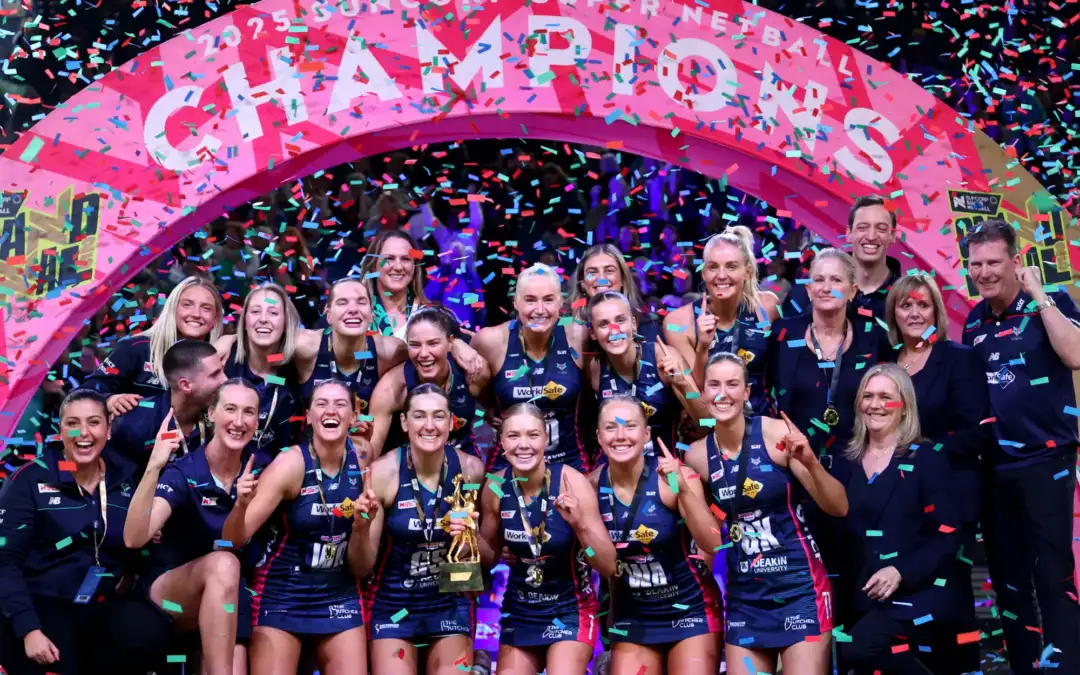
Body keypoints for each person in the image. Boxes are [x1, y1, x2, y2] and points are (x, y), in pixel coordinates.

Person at [961, 219, 1080, 674]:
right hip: (994, 467)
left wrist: (1040, 296)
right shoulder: (973, 320)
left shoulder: (1052, 303)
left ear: (1016, 262)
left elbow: (1075, 355)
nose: (985, 272)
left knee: (1052, 574)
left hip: (1046, 461)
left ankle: (1067, 666)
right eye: (976, 264)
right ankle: (1025, 667)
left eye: (994, 262)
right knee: (1008, 582)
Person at [684, 353, 846, 675]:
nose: (722, 393)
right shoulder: (697, 456)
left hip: (799, 588)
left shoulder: (776, 435)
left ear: (746, 392)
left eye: (733, 384)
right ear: (703, 393)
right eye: (714, 384)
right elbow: (711, 537)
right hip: (746, 595)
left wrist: (811, 461)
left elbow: (839, 506)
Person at [0, 390, 169, 675]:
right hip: (40, 605)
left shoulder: (125, 478)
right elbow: (4, 562)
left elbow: (133, 544)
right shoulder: (29, 479)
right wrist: (28, 629)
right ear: (60, 430)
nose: (84, 433)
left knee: (152, 634)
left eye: (93, 422)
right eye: (72, 423)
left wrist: (146, 542)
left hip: (99, 605)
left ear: (109, 429)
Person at [221, 380, 366, 675]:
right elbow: (232, 541)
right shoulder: (289, 464)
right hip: (283, 593)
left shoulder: (364, 456)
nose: (331, 411)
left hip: (339, 593)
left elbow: (362, 560)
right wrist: (241, 505)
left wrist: (364, 525)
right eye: (322, 404)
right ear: (309, 416)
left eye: (341, 404)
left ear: (354, 416)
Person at [839, 365, 975, 674]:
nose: (875, 405)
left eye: (886, 397)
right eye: (868, 396)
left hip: (919, 594)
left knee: (858, 648)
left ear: (904, 408)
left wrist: (900, 571)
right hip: (863, 596)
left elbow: (948, 534)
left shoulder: (926, 457)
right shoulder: (845, 461)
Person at [123, 379, 265, 675]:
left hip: (227, 594)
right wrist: (154, 465)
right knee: (224, 563)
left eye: (249, 412)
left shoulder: (262, 467)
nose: (239, 421)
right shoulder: (183, 471)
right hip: (170, 594)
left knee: (227, 570)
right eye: (230, 409)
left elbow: (237, 540)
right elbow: (135, 539)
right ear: (211, 414)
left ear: (258, 419)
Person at [348, 384, 485, 675]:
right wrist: (360, 528)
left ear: (451, 423)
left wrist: (471, 534)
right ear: (404, 422)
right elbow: (361, 568)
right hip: (394, 604)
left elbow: (486, 559)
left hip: (449, 602)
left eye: (438, 417)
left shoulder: (471, 470)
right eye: (420, 416)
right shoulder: (383, 473)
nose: (430, 426)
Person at [476, 403, 616, 675]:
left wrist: (580, 525)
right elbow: (489, 557)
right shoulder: (494, 486)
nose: (523, 445)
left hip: (569, 608)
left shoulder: (572, 482)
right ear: (502, 441)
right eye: (514, 436)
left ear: (546, 439)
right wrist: (468, 534)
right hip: (520, 610)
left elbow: (609, 565)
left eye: (532, 435)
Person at [591, 395, 723, 675]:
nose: (621, 436)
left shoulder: (674, 477)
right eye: (611, 428)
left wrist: (684, 490)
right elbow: (591, 556)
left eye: (630, 426)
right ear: (599, 436)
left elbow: (713, 543)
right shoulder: (590, 485)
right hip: (633, 615)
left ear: (646, 433)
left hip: (689, 611)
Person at [766, 248, 894, 466]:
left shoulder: (873, 338)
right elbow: (766, 394)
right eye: (819, 280)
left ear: (852, 291)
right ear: (808, 289)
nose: (826, 288)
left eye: (836, 280)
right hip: (794, 464)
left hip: (859, 465)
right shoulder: (782, 335)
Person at [884, 275, 990, 537]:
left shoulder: (959, 358)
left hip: (948, 493)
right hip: (893, 497)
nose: (915, 314)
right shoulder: (883, 363)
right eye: (906, 306)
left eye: (923, 305)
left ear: (936, 312)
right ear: (893, 313)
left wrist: (921, 451)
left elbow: (976, 433)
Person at [472, 264, 590, 472]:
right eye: (530, 300)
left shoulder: (579, 336)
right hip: (507, 465)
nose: (539, 310)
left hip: (570, 464)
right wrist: (490, 408)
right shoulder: (490, 341)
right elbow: (471, 390)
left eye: (548, 299)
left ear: (560, 302)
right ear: (516, 301)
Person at [663, 226, 779, 414]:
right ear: (703, 273)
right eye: (713, 267)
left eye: (731, 266)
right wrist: (702, 348)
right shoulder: (678, 322)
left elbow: (779, 374)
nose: (721, 276)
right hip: (713, 425)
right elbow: (697, 394)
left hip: (762, 423)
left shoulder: (767, 306)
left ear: (747, 271)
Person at [586, 290, 706, 455]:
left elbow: (707, 423)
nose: (614, 331)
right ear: (593, 333)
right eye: (604, 324)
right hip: (618, 470)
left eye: (620, 320)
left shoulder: (662, 358)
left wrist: (683, 384)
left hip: (666, 470)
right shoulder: (595, 369)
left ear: (633, 324)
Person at [84, 277, 223, 417]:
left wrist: (231, 338)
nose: (196, 314)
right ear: (172, 309)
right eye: (187, 305)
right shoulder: (134, 349)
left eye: (206, 308)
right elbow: (85, 392)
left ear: (216, 318)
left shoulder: (221, 360)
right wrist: (109, 400)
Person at [368, 307, 490, 458]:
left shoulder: (473, 371)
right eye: (415, 345)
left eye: (433, 343)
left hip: (463, 466)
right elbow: (370, 454)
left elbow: (492, 411)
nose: (424, 354)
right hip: (408, 468)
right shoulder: (392, 388)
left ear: (450, 343)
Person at [295, 279, 408, 425]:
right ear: (328, 314)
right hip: (310, 445)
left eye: (361, 302)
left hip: (368, 443)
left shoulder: (391, 352)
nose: (353, 309)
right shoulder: (304, 347)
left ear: (372, 314)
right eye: (342, 302)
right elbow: (265, 357)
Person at [107, 339, 227, 473]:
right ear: (186, 385)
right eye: (215, 374)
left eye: (222, 371)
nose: (225, 380)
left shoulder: (220, 415)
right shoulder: (134, 425)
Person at [214, 283, 303, 459]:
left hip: (282, 474)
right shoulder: (224, 362)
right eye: (255, 311)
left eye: (273, 312)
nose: (263, 319)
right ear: (245, 321)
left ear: (285, 323)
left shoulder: (300, 364)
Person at [781, 195, 901, 319]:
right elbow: (785, 331)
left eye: (881, 228)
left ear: (892, 235)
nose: (871, 236)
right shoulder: (816, 283)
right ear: (849, 233)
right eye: (862, 227)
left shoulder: (905, 295)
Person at [568, 244, 658, 341]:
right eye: (592, 272)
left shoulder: (648, 325)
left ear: (622, 279)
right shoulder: (565, 324)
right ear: (582, 282)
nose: (601, 279)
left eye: (609, 271)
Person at [361, 230, 429, 340]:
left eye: (405, 259)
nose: (398, 267)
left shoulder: (431, 315)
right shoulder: (356, 313)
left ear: (414, 267)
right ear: (373, 265)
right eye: (389, 259)